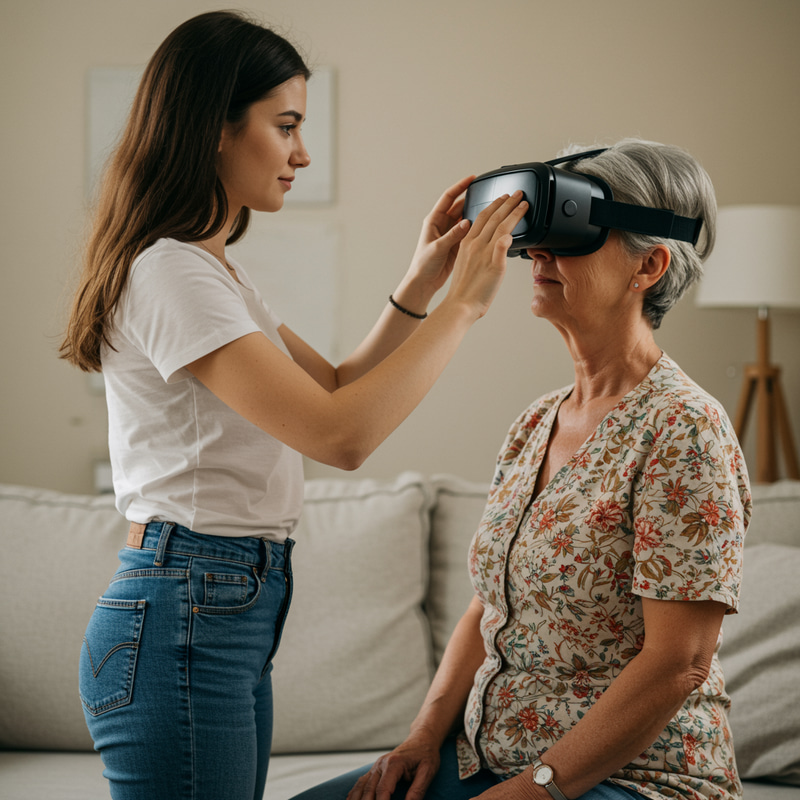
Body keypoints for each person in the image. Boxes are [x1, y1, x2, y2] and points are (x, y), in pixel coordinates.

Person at [59, 10, 527, 800]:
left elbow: (336, 387)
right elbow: (341, 436)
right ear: (214, 127)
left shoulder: (212, 273)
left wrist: (423, 281)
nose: (301, 154)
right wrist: (467, 307)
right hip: (188, 608)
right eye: (285, 126)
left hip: (218, 606)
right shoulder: (172, 273)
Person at [291, 139, 751, 800]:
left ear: (648, 264)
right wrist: (421, 738)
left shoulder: (682, 427)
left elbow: (679, 662)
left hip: (638, 780)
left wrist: (539, 788)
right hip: (491, 759)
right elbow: (490, 607)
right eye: (536, 237)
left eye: (570, 235)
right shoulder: (536, 422)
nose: (537, 253)